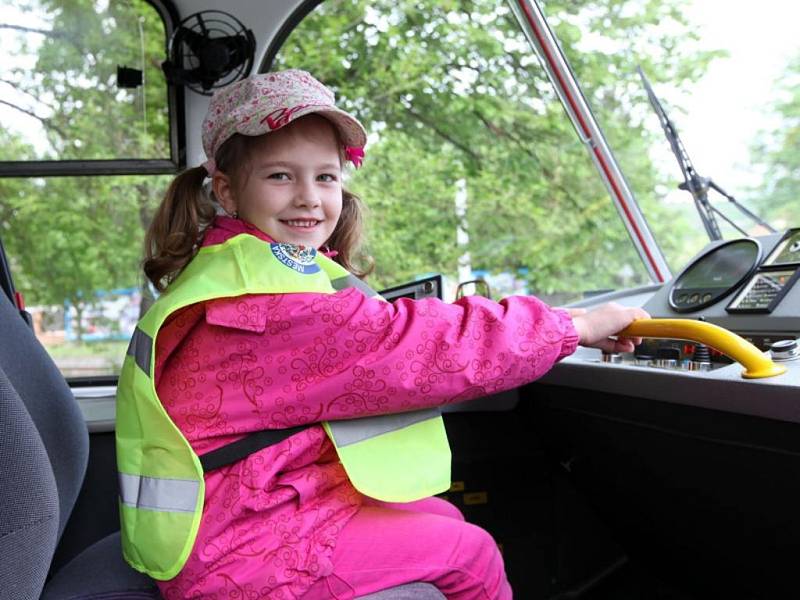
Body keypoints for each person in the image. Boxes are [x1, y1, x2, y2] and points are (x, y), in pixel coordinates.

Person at [115, 69, 649, 600]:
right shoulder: (260, 302)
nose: (308, 197)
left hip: (254, 504)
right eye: (281, 176)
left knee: (438, 512)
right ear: (228, 190)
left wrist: (558, 325)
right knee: (473, 553)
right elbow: (421, 347)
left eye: (325, 177)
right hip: (238, 544)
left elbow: (376, 336)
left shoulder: (245, 270)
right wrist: (573, 327)